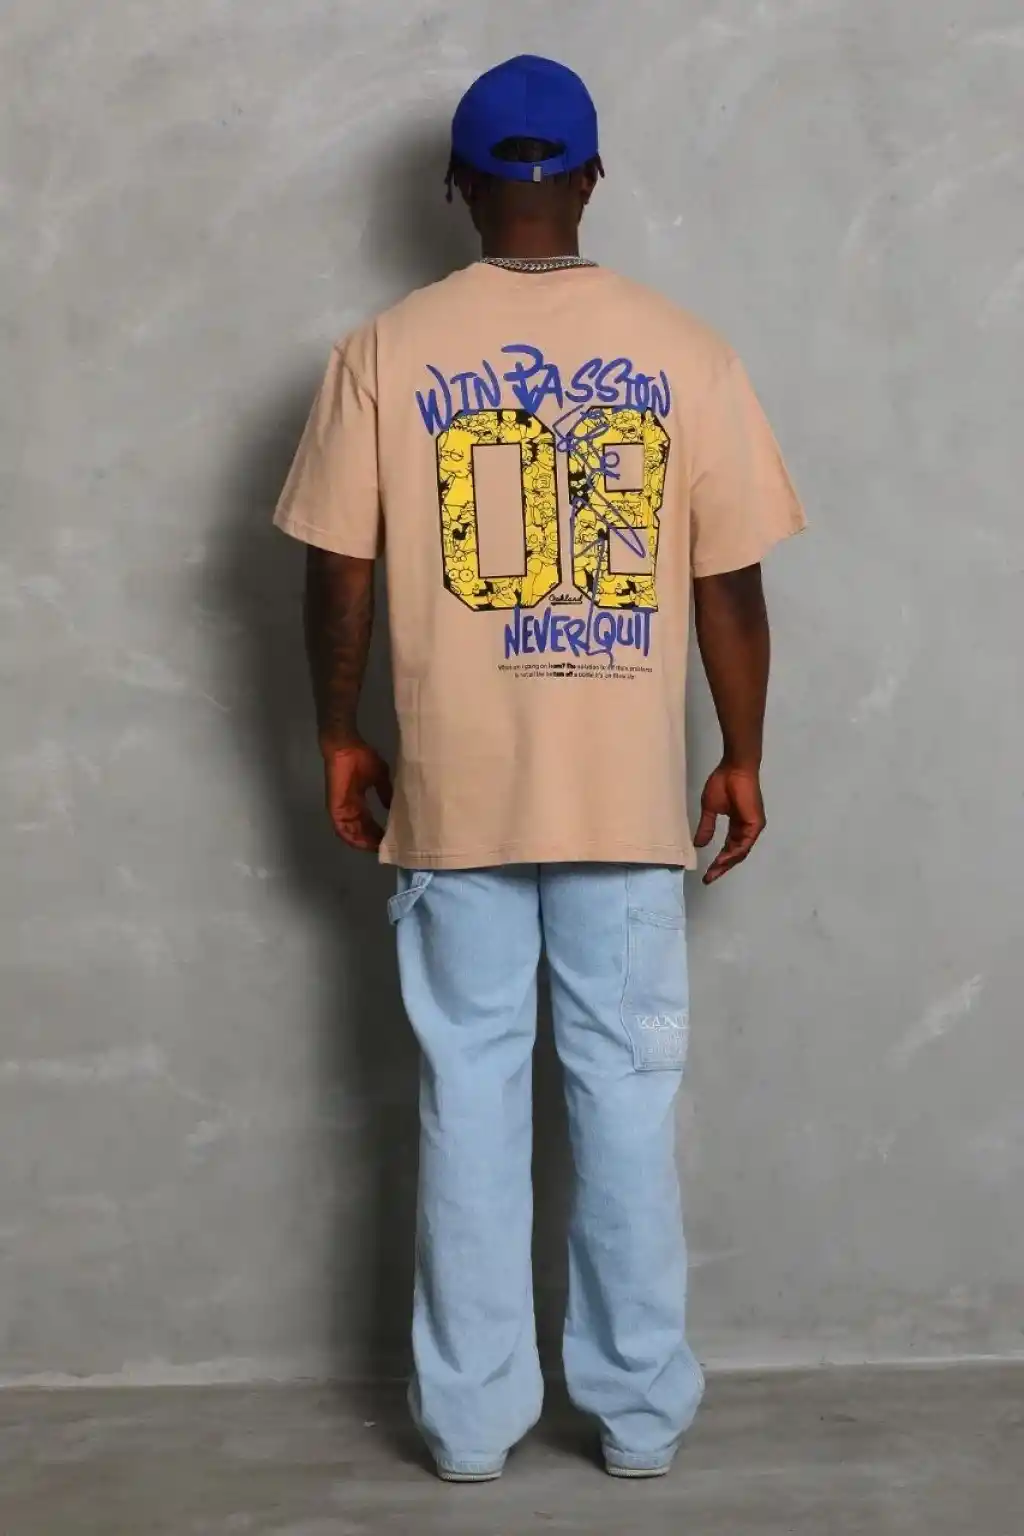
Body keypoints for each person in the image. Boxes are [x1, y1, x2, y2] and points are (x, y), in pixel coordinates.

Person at [275, 54, 805, 1484]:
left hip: (457, 797)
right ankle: (639, 1420)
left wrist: (339, 731)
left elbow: (339, 569)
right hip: (625, 798)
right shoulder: (687, 352)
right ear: (590, 178)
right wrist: (742, 753)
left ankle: (467, 1427)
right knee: (625, 1101)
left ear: (458, 183)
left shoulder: (385, 353)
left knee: (469, 1095)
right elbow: (729, 584)